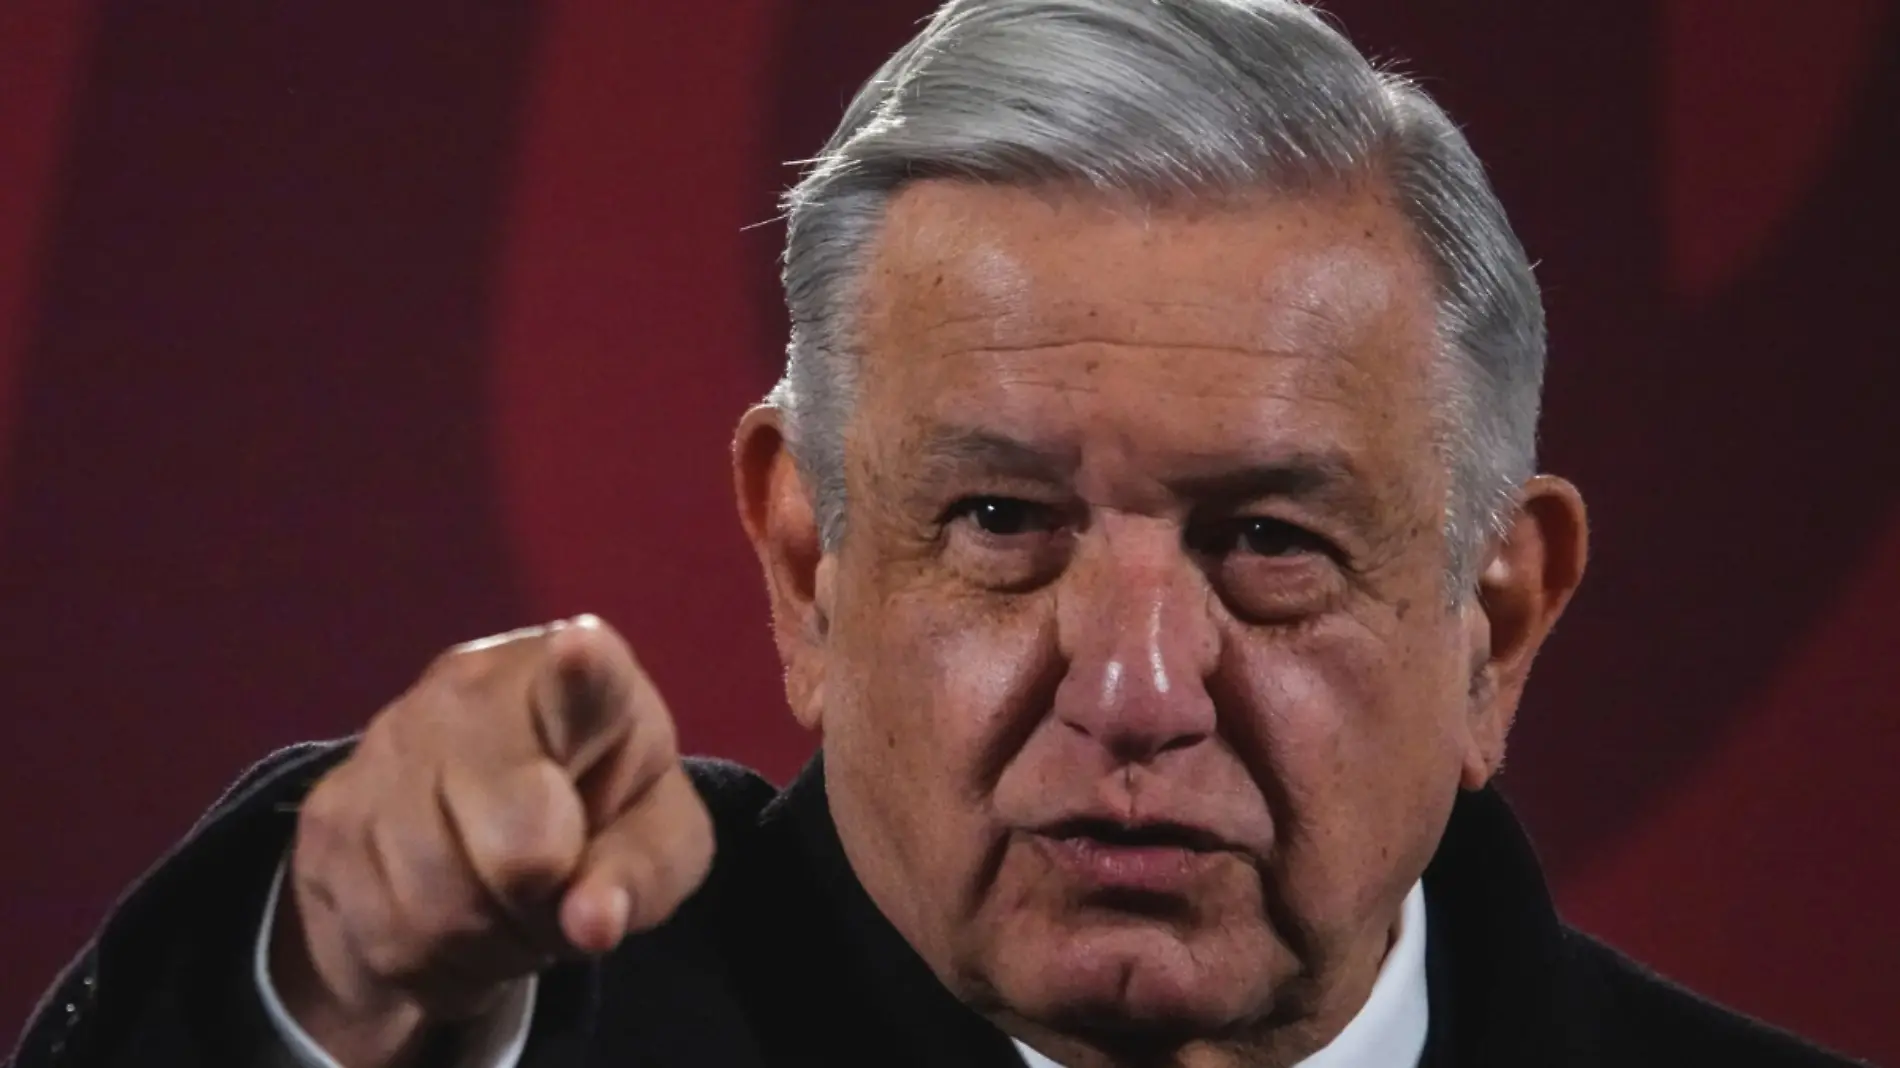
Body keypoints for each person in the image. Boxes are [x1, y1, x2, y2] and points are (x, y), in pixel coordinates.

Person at [7, 1, 1867, 1066]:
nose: (1134, 691)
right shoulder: (539, 1032)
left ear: (1495, 619)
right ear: (809, 564)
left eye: (1268, 543)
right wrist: (325, 985)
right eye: (999, 520)